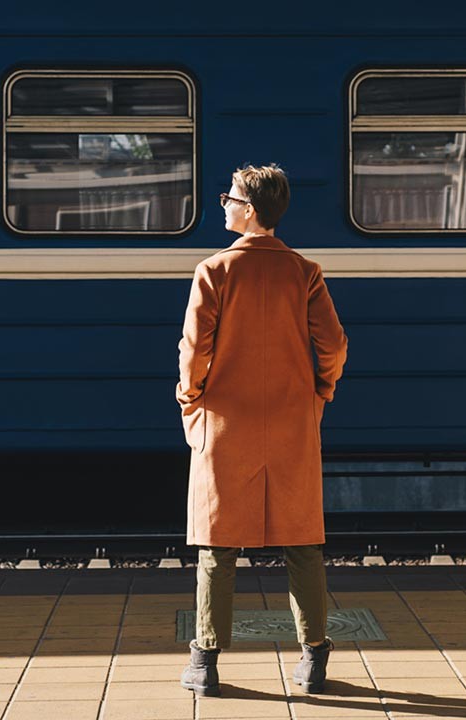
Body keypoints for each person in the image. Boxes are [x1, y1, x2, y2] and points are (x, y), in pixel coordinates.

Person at [176, 164, 348, 697]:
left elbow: (194, 350)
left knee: (217, 545)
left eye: (229, 197)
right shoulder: (305, 272)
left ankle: (205, 663)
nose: (222, 203)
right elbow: (334, 346)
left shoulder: (214, 271)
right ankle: (314, 656)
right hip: (294, 422)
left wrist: (191, 402)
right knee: (302, 543)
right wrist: (319, 393)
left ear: (249, 209)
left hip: (225, 423)